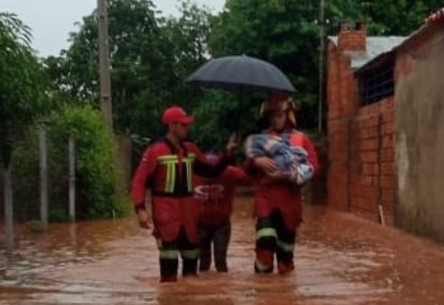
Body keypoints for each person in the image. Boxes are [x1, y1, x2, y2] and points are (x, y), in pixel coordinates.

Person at [131, 106, 237, 282]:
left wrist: (226, 154)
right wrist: (140, 209)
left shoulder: (191, 150)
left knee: (191, 265)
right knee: (169, 265)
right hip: (165, 211)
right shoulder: (155, 151)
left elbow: (211, 171)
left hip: (189, 212)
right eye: (184, 125)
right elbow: (139, 181)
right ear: (172, 126)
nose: (188, 128)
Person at [246, 93, 319, 275]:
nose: (276, 120)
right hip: (266, 197)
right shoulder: (260, 139)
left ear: (288, 115)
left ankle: (284, 294)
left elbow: (314, 166)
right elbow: (247, 167)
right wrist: (257, 161)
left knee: (286, 252)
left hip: (290, 199)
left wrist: (294, 173)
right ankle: (262, 289)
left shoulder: (301, 139)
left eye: (279, 115)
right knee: (265, 240)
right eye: (272, 116)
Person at [194, 154, 255, 273]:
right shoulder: (190, 173)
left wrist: (252, 161)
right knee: (203, 262)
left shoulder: (230, 172)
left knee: (221, 262)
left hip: (221, 224)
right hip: (199, 224)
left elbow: (250, 180)